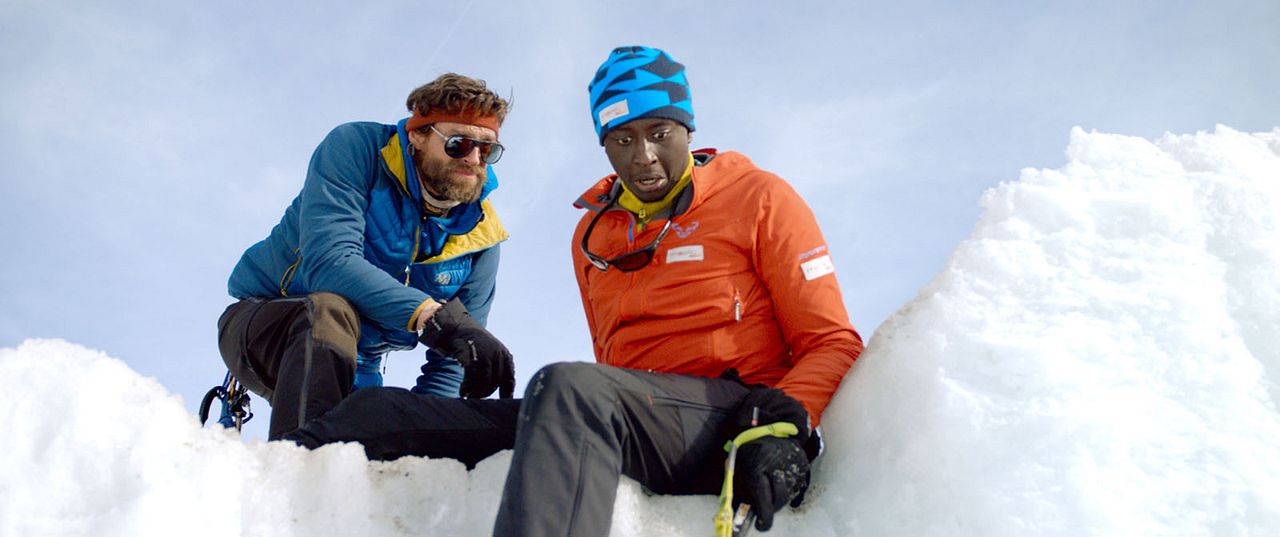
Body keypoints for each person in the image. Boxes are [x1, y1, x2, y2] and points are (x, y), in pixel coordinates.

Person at [286, 46, 863, 536]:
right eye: (622, 139)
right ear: (604, 144)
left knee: (567, 385)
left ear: (688, 128)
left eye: (660, 133)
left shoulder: (759, 198)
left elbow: (832, 340)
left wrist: (787, 423)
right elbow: (614, 371)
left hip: (737, 416)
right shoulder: (595, 236)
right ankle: (268, 476)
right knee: (381, 412)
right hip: (641, 417)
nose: (643, 156)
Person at [218, 73, 516, 441]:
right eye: (458, 144)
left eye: (487, 149)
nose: (473, 159)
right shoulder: (357, 151)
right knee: (329, 310)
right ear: (417, 135)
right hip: (269, 325)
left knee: (382, 429)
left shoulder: (482, 235)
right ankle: (298, 472)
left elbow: (450, 363)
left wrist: (424, 438)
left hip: (357, 368)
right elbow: (329, 262)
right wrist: (431, 316)